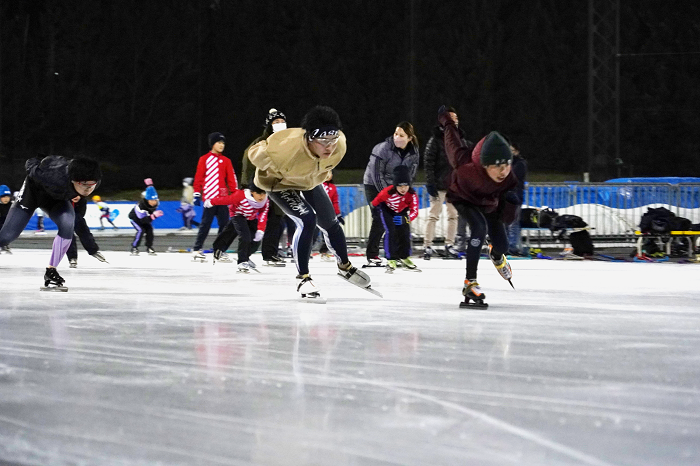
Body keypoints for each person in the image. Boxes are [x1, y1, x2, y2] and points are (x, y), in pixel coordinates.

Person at [248, 105, 371, 298]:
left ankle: (344, 266)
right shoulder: (283, 150)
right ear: (309, 138)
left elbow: (328, 153)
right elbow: (254, 152)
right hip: (279, 183)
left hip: (309, 180)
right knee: (307, 219)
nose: (329, 146)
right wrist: (267, 165)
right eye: (323, 140)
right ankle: (302, 278)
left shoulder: (340, 145)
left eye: (333, 139)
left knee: (331, 223)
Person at [438, 105, 518, 306]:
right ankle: (470, 283)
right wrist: (447, 119)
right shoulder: (464, 164)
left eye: (507, 165)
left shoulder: (508, 178)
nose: (503, 172)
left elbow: (505, 213)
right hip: (464, 198)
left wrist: (509, 210)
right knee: (479, 229)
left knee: (503, 245)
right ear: (485, 165)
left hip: (488, 203)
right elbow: (451, 139)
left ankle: (496, 254)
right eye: (498, 167)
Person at [0, 155, 102, 290]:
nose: (88, 189)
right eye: (84, 185)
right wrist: (38, 162)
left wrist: (91, 246)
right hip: (32, 195)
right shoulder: (53, 176)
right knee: (7, 236)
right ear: (73, 181)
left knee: (67, 224)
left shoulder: (92, 179)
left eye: (92, 186)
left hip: (56, 199)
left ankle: (51, 271)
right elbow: (30, 162)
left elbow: (79, 218)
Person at [362, 121, 420, 266]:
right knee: (380, 218)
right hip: (374, 185)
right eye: (395, 134)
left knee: (399, 219)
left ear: (409, 138)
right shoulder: (382, 149)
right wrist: (387, 194)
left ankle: (400, 254)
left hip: (396, 187)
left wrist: (405, 192)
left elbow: (410, 175)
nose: (397, 137)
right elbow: (376, 174)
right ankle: (372, 254)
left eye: (401, 135)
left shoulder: (414, 152)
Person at [423, 106, 473, 260]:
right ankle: (427, 246)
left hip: (454, 185)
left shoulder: (460, 139)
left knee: (453, 216)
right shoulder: (435, 140)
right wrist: (430, 182)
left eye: (456, 118)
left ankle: (449, 245)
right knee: (433, 215)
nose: (454, 121)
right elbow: (428, 162)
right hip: (438, 185)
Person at [241, 108, 289, 266]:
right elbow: (248, 161)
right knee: (258, 223)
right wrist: (248, 185)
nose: (280, 124)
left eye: (282, 121)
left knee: (277, 221)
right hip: (261, 186)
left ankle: (270, 254)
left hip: (279, 186)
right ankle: (246, 254)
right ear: (269, 125)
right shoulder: (261, 142)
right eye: (276, 122)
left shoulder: (288, 142)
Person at [192, 132, 238, 260]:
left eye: (223, 143)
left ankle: (219, 250)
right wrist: (197, 193)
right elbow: (199, 177)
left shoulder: (226, 161)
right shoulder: (204, 159)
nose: (222, 145)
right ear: (213, 144)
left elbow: (231, 179)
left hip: (222, 199)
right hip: (209, 199)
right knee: (205, 224)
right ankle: (196, 249)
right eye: (219, 142)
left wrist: (235, 195)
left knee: (224, 225)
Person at [205, 181, 269, 272]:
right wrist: (212, 202)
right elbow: (227, 200)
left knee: (255, 240)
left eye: (264, 193)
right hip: (237, 214)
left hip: (251, 217)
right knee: (245, 236)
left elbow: (263, 214)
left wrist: (261, 230)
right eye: (259, 193)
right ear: (252, 192)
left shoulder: (265, 201)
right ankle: (242, 261)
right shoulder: (241, 195)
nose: (261, 196)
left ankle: (244, 256)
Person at [371, 165, 419, 273]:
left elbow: (414, 211)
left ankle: (404, 257)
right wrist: (375, 213)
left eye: (406, 186)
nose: (403, 189)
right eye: (400, 186)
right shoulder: (387, 192)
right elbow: (375, 202)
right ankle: (391, 259)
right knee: (391, 232)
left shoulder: (412, 195)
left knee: (405, 233)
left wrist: (406, 219)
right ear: (395, 186)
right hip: (387, 210)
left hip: (402, 212)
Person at [67, 195, 108, 268]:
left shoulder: (82, 200)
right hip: (65, 216)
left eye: (77, 195)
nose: (75, 197)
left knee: (84, 232)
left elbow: (81, 213)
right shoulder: (63, 200)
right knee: (68, 236)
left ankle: (93, 251)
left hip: (77, 216)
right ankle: (72, 258)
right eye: (73, 195)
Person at [504, 139, 528, 256]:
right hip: (505, 196)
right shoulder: (507, 163)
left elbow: (513, 177)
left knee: (513, 223)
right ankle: (507, 245)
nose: (510, 152)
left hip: (515, 197)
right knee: (506, 223)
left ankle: (513, 247)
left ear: (517, 151)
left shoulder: (520, 164)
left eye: (512, 150)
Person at [128, 185, 163, 255]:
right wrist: (154, 216)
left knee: (150, 230)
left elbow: (148, 219)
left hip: (145, 218)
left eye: (155, 200)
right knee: (141, 230)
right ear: (147, 200)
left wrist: (152, 216)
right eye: (151, 200)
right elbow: (143, 220)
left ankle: (149, 247)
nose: (154, 202)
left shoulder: (155, 204)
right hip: (135, 219)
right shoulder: (140, 207)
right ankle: (134, 247)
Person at [318, 170, 343, 260]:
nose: (329, 175)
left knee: (327, 233)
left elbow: (335, 202)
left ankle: (324, 252)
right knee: (312, 234)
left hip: (327, 214)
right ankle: (304, 251)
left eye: (331, 173)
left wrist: (338, 214)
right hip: (316, 212)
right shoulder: (318, 186)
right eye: (327, 173)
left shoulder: (333, 187)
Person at [0, 185, 12, 253]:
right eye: (4, 197)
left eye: (7, 196)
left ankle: (5, 245)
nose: (6, 199)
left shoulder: (11, 205)